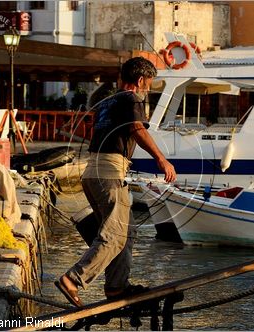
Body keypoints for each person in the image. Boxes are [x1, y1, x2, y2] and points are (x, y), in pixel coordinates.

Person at [55, 57, 176, 307]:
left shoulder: (107, 102)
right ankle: (73, 279)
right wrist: (162, 160)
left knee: (125, 232)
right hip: (109, 173)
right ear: (141, 80)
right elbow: (137, 129)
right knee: (114, 235)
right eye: (149, 83)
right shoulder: (131, 99)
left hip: (93, 173)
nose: (148, 88)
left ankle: (116, 288)